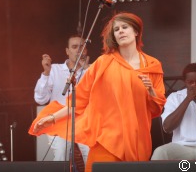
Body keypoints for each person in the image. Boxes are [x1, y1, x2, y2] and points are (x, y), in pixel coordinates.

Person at [28, 12, 166, 172]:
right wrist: (52, 118)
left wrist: (151, 91)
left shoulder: (152, 64)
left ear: (136, 31)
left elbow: (157, 109)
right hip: (106, 139)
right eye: (116, 29)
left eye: (125, 27)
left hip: (137, 140)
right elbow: (78, 101)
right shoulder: (103, 63)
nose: (120, 31)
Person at [34, 34, 90, 163]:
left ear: (86, 51)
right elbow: (40, 99)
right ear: (67, 51)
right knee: (60, 153)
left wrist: (87, 69)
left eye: (82, 47)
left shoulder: (92, 70)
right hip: (59, 119)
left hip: (85, 120)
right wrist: (46, 73)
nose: (78, 50)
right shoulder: (54, 70)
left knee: (91, 154)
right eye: (74, 47)